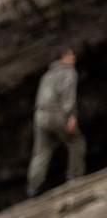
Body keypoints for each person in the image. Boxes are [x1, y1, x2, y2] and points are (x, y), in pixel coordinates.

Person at [29, 47, 83, 199]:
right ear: (64, 56)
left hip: (40, 116)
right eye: (72, 55)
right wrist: (71, 116)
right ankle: (75, 177)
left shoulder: (47, 75)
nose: (74, 58)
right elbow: (68, 97)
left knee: (41, 153)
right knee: (76, 142)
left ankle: (33, 188)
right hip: (57, 114)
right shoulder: (68, 73)